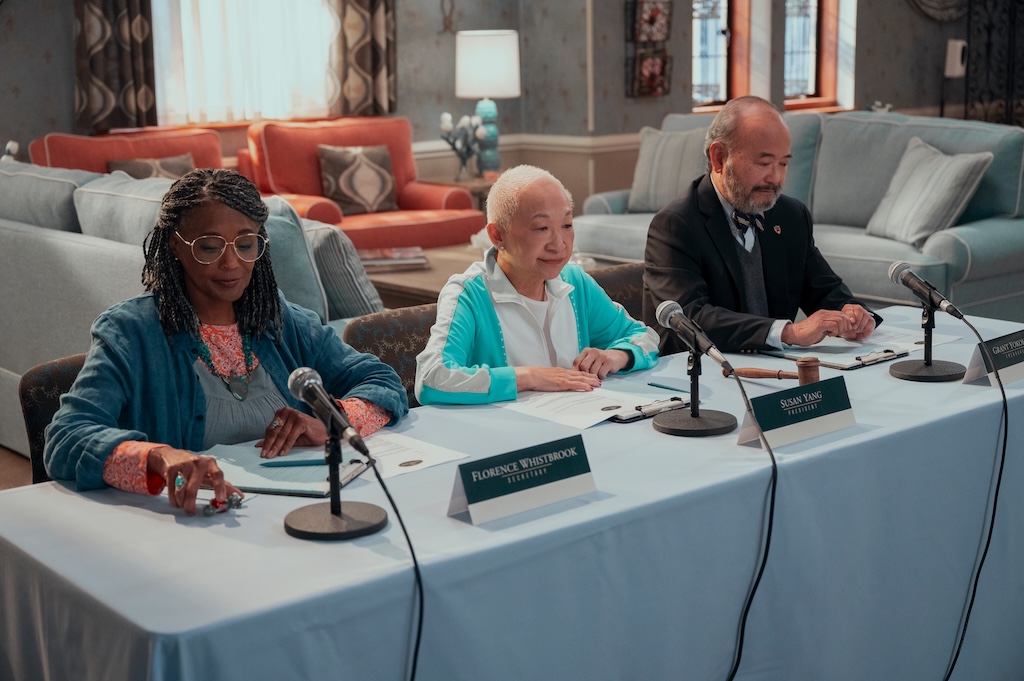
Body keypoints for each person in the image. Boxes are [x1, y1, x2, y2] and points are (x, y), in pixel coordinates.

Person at [45, 169, 408, 515]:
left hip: (295, 514)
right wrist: (157, 457)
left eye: (246, 244)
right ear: (176, 245)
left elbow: (383, 383)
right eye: (209, 247)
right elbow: (65, 438)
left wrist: (331, 420)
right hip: (192, 527)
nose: (232, 263)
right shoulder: (129, 332)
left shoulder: (278, 318)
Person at [643, 95, 880, 355]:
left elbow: (825, 290)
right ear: (719, 158)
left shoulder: (790, 216)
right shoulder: (675, 225)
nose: (775, 178)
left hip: (775, 371)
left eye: (784, 164)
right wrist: (790, 332)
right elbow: (690, 318)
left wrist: (852, 312)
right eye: (764, 163)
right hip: (698, 375)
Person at [416, 165, 659, 405]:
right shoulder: (468, 294)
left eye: (566, 225)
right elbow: (431, 379)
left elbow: (644, 336)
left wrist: (615, 357)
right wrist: (528, 376)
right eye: (542, 228)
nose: (559, 244)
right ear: (498, 235)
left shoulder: (575, 281)